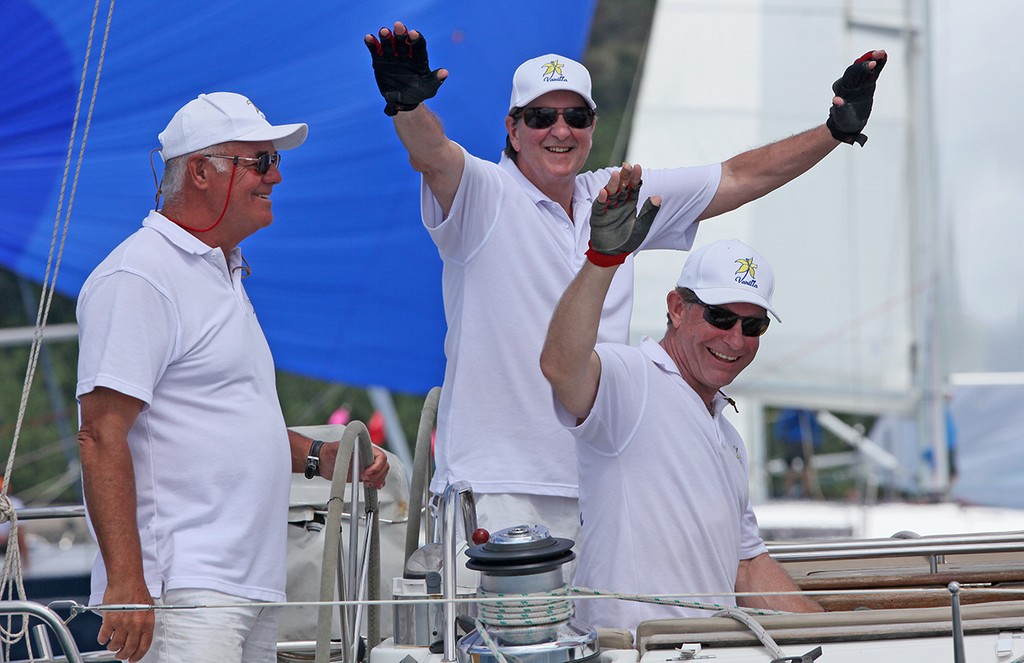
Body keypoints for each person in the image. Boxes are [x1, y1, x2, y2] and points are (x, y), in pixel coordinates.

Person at [365, 21, 886, 543]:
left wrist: (832, 133)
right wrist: (407, 107)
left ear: (593, 124)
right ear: (513, 128)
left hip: (600, 485)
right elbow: (432, 156)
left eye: (577, 116)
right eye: (542, 116)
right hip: (494, 490)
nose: (561, 130)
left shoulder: (615, 196)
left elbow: (738, 177)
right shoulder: (483, 191)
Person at [75, 92, 389, 663]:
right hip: (184, 590)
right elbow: (100, 434)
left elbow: (226, 418)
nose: (276, 176)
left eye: (274, 161)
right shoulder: (139, 275)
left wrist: (322, 457)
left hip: (244, 585)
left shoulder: (221, 272)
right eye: (261, 161)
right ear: (199, 171)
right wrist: (126, 585)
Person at [540, 175, 822, 631]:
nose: (735, 339)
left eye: (753, 327)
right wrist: (602, 259)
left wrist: (843, 636)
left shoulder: (727, 436)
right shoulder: (631, 379)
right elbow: (560, 366)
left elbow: (748, 567)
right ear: (676, 307)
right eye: (721, 316)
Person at [774, 408, 823, 498]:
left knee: (792, 468)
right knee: (804, 467)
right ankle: (805, 492)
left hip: (793, 441)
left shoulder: (788, 411)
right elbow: (814, 426)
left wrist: (781, 438)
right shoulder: (806, 411)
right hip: (801, 441)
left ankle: (791, 493)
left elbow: (782, 425)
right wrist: (816, 442)